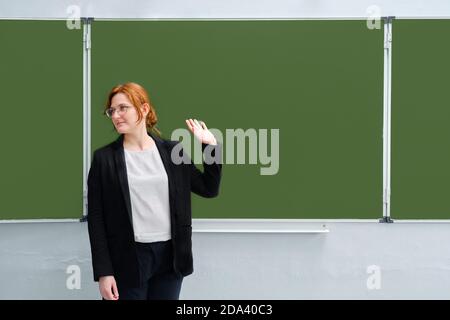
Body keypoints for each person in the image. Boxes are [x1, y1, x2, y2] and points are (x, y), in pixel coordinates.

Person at [87, 82, 222, 300]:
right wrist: (104, 272)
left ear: (144, 109)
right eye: (112, 110)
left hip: (170, 257)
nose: (116, 115)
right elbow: (96, 218)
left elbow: (209, 188)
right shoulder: (104, 159)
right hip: (128, 258)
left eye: (123, 108)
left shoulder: (172, 151)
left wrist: (210, 147)